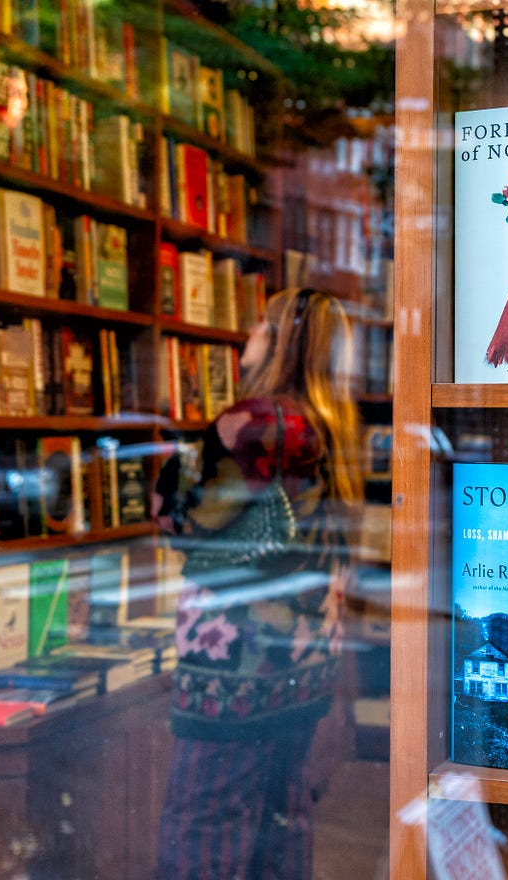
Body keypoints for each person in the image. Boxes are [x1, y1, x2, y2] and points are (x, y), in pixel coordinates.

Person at [154, 288, 362, 880]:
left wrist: (176, 465)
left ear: (279, 341)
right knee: (281, 819)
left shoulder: (255, 422)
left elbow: (178, 516)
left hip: (236, 671)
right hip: (303, 664)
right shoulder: (329, 423)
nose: (248, 333)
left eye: (260, 324)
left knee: (201, 825)